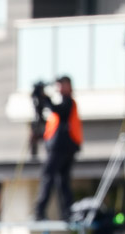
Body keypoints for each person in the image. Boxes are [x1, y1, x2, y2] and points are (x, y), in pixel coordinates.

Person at [33, 75, 83, 222]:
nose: (59, 88)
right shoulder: (62, 105)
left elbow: (58, 110)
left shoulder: (68, 103)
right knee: (61, 180)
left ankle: (41, 211)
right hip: (60, 147)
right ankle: (66, 212)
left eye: (62, 84)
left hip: (62, 148)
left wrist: (45, 98)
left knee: (50, 177)